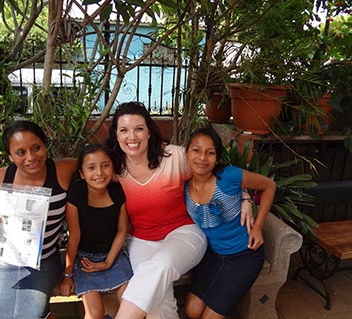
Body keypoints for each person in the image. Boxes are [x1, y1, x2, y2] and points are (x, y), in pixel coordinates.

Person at [104, 102, 253, 319]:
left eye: (139, 129)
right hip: (142, 239)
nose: (132, 137)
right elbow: (81, 172)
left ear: (149, 132)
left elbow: (214, 170)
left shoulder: (173, 157)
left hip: (184, 233)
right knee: (157, 299)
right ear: (116, 135)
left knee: (161, 265)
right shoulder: (114, 168)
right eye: (124, 130)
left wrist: (245, 195)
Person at [0, 120, 78, 319]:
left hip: (42, 260)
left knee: (29, 314)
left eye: (36, 148)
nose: (31, 157)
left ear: (45, 145)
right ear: (10, 156)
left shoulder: (63, 170)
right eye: (21, 152)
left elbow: (95, 164)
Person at [183, 126, 276, 319]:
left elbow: (269, 186)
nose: (202, 158)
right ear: (186, 153)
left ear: (217, 158)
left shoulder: (229, 176)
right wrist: (245, 196)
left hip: (245, 254)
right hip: (213, 253)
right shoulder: (181, 182)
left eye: (210, 153)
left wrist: (258, 227)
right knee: (192, 311)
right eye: (196, 150)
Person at [59, 143, 133, 319]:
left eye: (105, 166)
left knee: (131, 307)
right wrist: (67, 276)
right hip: (86, 261)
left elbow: (122, 230)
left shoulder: (117, 191)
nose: (99, 173)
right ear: (82, 174)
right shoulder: (76, 194)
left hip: (114, 256)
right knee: (95, 313)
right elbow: (74, 237)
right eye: (91, 168)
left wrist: (108, 262)